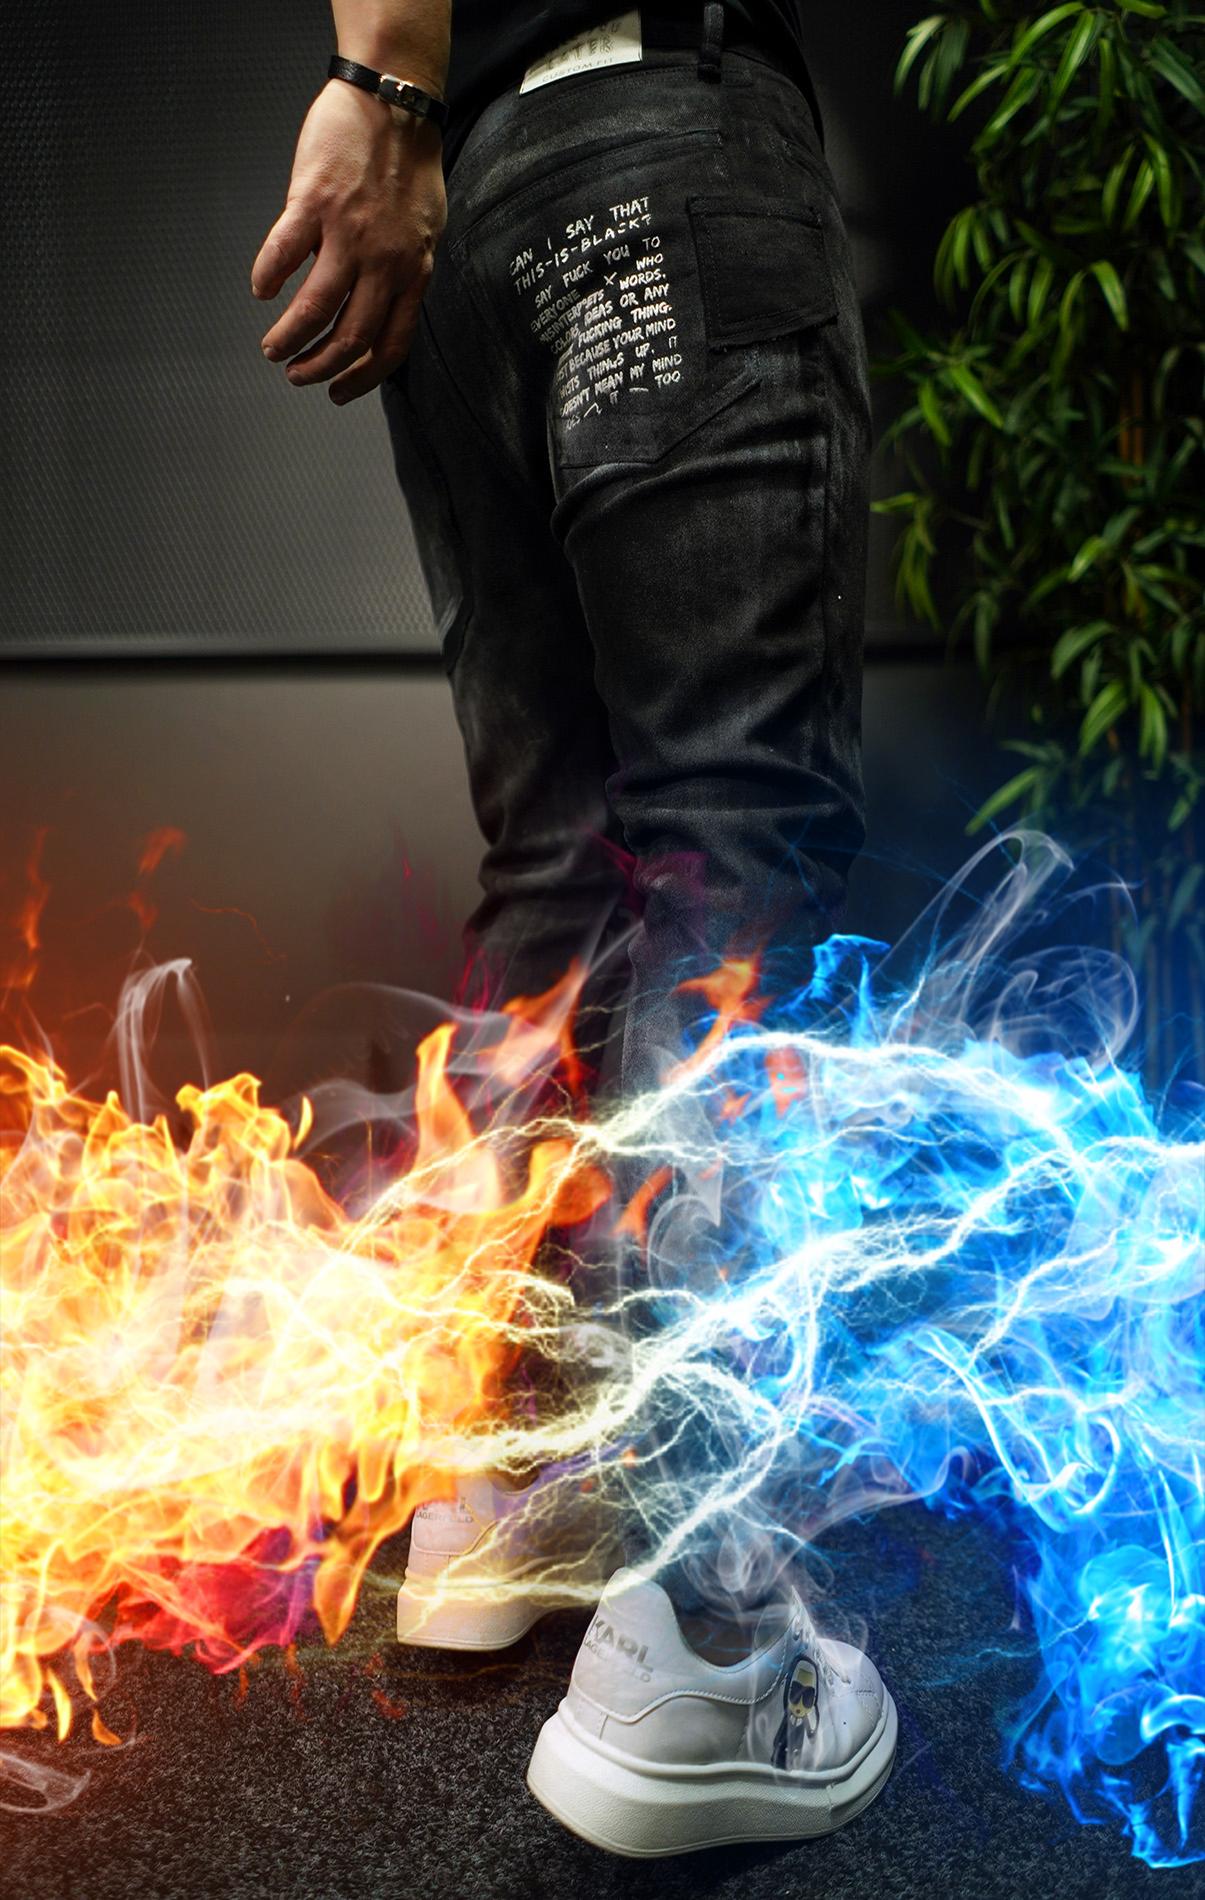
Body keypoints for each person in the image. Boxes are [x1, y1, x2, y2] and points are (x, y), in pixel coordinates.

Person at [254, 0, 896, 1856]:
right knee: (726, 837)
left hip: (472, 210)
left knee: (557, 860)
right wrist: (379, 78)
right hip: (648, 134)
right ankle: (711, 1637)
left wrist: (398, 96)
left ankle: (499, 1485)